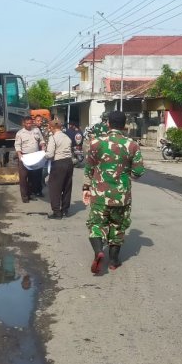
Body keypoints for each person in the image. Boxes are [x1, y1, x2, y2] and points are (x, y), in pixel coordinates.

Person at [83, 111, 145, 275]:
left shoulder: (96, 143)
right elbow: (139, 172)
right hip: (121, 196)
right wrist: (126, 174)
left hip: (99, 195)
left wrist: (86, 188)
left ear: (108, 124)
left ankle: (98, 252)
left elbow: (89, 169)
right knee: (117, 226)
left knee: (96, 225)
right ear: (124, 126)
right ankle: (113, 261)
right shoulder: (132, 144)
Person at [45, 118, 74, 219]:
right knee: (67, 187)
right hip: (69, 163)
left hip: (59, 163)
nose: (49, 129)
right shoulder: (67, 137)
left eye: (49, 127)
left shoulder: (53, 138)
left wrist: (41, 156)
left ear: (52, 127)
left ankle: (57, 212)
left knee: (55, 188)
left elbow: (49, 154)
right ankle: (65, 210)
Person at [14, 115, 46, 203]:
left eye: (30, 123)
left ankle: (31, 194)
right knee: (24, 177)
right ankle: (25, 197)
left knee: (33, 176)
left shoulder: (36, 130)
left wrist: (43, 147)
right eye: (27, 123)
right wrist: (19, 154)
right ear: (24, 123)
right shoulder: (20, 133)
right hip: (24, 157)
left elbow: (41, 140)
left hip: (34, 156)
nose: (29, 125)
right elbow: (17, 145)